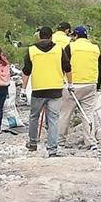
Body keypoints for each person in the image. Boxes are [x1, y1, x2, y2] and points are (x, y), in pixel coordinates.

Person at [22, 26, 73, 157]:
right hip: (55, 89)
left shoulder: (31, 50)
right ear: (51, 36)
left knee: (34, 117)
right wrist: (70, 84)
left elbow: (26, 71)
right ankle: (52, 149)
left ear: (39, 36)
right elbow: (67, 67)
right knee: (53, 119)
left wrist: (23, 88)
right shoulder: (59, 49)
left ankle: (33, 143)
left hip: (38, 89)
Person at [59, 25, 101, 151]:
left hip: (72, 85)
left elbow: (64, 65)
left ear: (75, 36)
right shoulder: (95, 48)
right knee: (88, 114)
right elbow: (100, 67)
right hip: (90, 85)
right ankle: (90, 142)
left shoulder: (70, 47)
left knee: (65, 114)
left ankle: (60, 141)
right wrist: (98, 86)